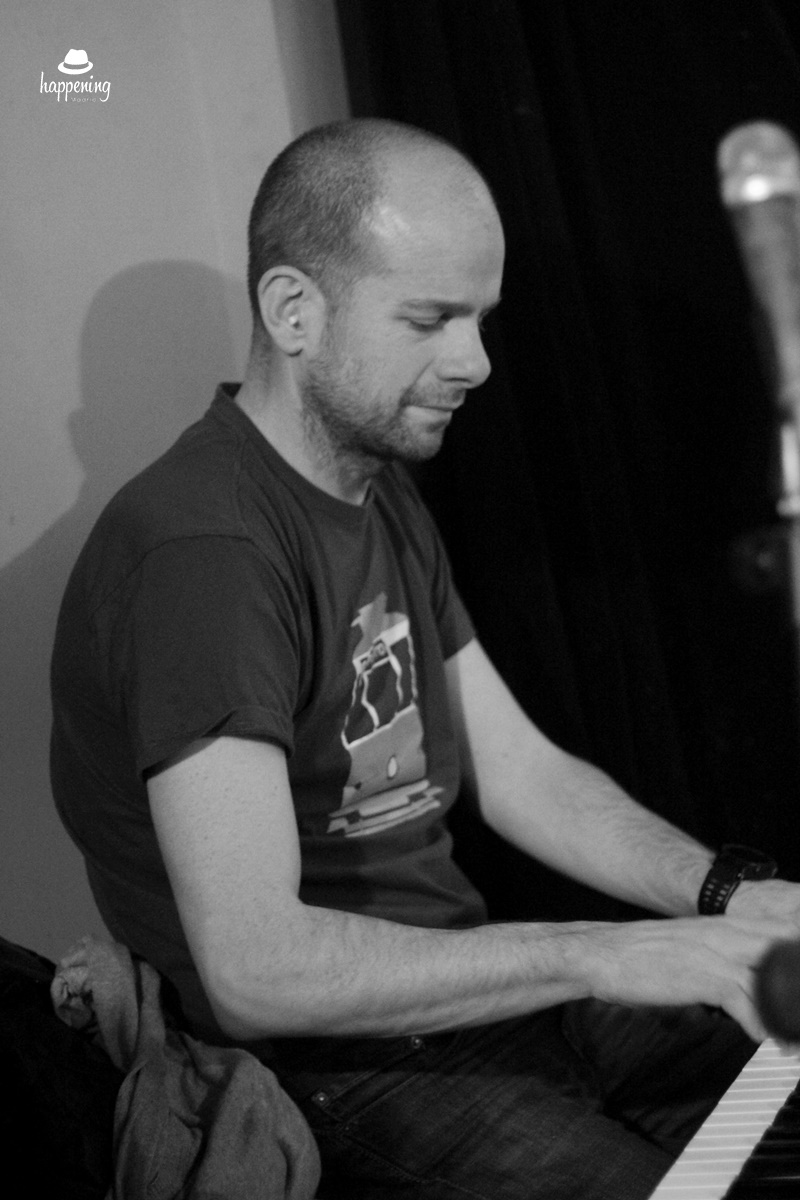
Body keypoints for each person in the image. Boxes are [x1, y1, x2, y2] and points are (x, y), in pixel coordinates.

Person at [50, 118, 800, 1199]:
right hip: (349, 1069)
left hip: (486, 1002)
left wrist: (727, 894)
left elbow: (521, 774)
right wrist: (599, 952)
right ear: (293, 310)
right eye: (429, 319)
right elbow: (258, 970)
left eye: (479, 319)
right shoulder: (203, 552)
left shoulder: (372, 486)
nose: (476, 362)